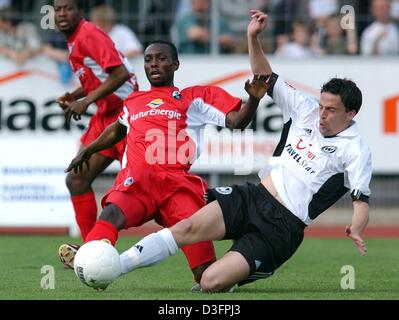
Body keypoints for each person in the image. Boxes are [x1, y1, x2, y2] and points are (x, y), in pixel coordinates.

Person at [102, 10, 372, 292]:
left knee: (209, 283)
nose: (322, 115)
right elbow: (264, 76)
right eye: (322, 106)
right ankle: (113, 268)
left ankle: (243, 269)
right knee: (184, 228)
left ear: (350, 113)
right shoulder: (305, 109)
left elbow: (361, 201)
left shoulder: (355, 150)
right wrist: (252, 37)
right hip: (254, 196)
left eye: (331, 110)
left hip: (282, 226)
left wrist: (356, 227)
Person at [62, 39, 269, 289]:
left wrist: (254, 100)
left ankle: (249, 260)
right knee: (111, 213)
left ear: (175, 64)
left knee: (208, 279)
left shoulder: (193, 97)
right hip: (139, 180)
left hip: (177, 186)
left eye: (161, 58)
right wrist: (89, 149)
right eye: (148, 60)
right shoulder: (134, 101)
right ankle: (90, 258)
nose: (154, 64)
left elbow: (236, 122)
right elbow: (117, 130)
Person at [53, 0, 138, 248]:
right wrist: (76, 96)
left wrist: (86, 100)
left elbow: (121, 73)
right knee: (76, 179)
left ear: (80, 11)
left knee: (147, 187)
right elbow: (99, 76)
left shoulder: (89, 34)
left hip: (125, 115)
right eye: (57, 9)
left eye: (68, 8)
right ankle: (92, 249)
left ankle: (196, 238)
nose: (62, 13)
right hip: (105, 115)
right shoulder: (75, 38)